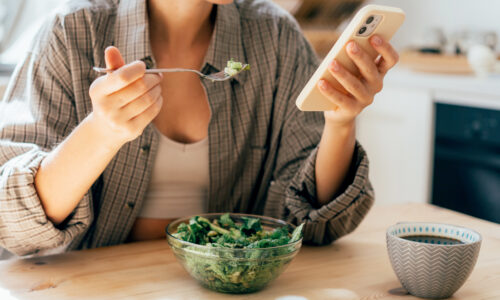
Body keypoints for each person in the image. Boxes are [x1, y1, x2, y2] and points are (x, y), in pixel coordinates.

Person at [0, 0, 398, 257]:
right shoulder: (72, 31)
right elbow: (12, 224)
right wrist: (101, 133)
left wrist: (341, 122)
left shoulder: (274, 37)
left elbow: (315, 224)